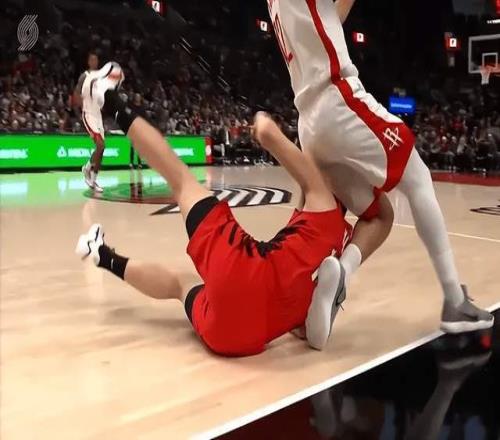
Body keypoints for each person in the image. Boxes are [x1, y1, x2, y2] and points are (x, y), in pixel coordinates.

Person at [75, 63, 352, 355]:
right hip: (236, 337)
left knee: (180, 179)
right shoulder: (338, 246)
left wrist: (262, 118)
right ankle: (101, 255)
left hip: (246, 273)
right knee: (181, 284)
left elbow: (267, 132)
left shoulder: (322, 199)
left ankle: (107, 97)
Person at [267, 0, 493, 332]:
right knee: (419, 178)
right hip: (338, 99)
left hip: (309, 123)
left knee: (377, 215)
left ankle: (327, 283)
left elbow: (331, 20)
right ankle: (454, 301)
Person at [74, 52, 106, 191]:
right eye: (92, 60)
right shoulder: (84, 76)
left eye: (96, 60)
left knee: (102, 148)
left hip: (98, 115)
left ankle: (93, 180)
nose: (94, 62)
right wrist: (81, 110)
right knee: (100, 144)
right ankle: (87, 168)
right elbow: (76, 94)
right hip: (88, 114)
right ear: (88, 62)